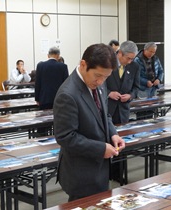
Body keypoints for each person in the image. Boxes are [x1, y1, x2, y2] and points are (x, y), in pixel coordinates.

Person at [53, 43, 125, 201]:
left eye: (105, 77)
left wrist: (113, 134)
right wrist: (101, 149)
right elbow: (66, 137)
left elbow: (104, 114)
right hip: (80, 171)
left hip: (99, 168)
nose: (100, 81)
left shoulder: (99, 83)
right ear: (83, 64)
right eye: (97, 76)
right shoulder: (68, 94)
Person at [106, 40, 140, 125]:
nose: (130, 61)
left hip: (123, 110)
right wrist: (109, 93)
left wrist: (130, 96)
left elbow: (136, 88)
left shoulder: (134, 66)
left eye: (132, 59)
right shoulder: (107, 63)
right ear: (120, 53)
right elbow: (98, 85)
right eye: (128, 58)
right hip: (108, 108)